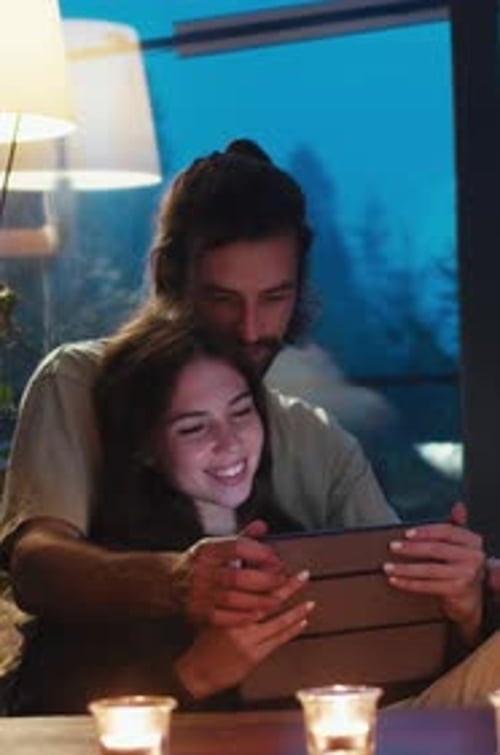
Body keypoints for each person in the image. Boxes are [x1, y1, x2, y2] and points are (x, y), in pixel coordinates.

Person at [0, 138, 496, 709]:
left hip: (318, 717)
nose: (251, 328)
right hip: (131, 713)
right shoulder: (83, 380)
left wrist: (462, 602)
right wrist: (175, 582)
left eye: (275, 297)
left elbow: (392, 616)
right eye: (223, 298)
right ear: (168, 276)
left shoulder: (316, 438)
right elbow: (36, 564)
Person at [6, 310, 314, 714]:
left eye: (241, 412)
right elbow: (41, 725)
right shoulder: (106, 578)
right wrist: (194, 675)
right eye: (193, 428)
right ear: (145, 448)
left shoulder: (299, 542)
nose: (230, 442)